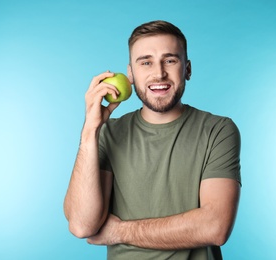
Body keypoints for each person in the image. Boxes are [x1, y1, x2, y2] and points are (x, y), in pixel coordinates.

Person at [64, 20, 241, 260]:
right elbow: (82, 225)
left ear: (187, 69)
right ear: (130, 75)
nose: (159, 73)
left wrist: (119, 231)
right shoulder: (109, 133)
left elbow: (215, 227)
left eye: (170, 60)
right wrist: (90, 131)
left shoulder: (218, 130)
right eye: (145, 62)